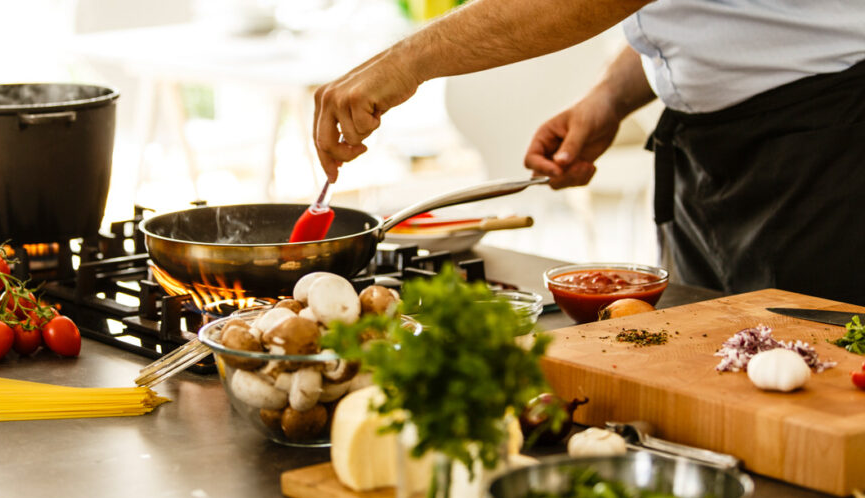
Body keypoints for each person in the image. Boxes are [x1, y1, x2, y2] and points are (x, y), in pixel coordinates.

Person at [312, 0, 865, 305]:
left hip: (828, 141)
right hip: (712, 154)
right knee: (712, 363)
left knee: (815, 385)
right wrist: (608, 97)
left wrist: (410, 61)